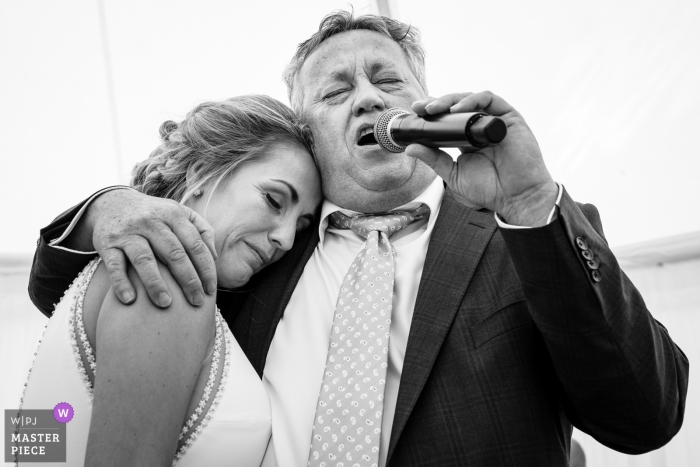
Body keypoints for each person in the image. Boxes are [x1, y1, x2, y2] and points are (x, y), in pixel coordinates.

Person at [28, 11, 689, 467]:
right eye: (336, 90)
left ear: (427, 103)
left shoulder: (526, 234)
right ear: (305, 133)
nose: (367, 98)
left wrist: (531, 200)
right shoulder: (254, 249)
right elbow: (77, 323)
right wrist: (109, 207)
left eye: (389, 79)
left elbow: (647, 416)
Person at [18, 95, 322, 466]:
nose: (286, 239)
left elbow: (35, 444)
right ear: (202, 173)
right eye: (274, 201)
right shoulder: (165, 277)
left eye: (301, 225)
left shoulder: (127, 269)